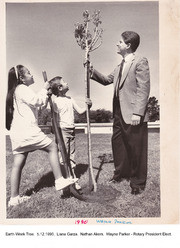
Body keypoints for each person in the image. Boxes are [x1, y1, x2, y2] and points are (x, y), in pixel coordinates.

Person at [6, 65, 77, 207]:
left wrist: (46, 94)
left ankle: (14, 198)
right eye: (29, 73)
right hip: (28, 131)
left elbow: (39, 105)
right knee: (52, 147)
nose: (32, 75)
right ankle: (59, 180)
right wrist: (44, 88)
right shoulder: (22, 89)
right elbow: (36, 101)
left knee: (18, 162)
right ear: (22, 78)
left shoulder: (17, 91)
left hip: (18, 133)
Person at [90, 31, 150, 195]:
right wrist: (91, 70)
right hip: (118, 112)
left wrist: (138, 113)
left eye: (120, 42)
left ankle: (137, 182)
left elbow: (143, 89)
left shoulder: (140, 61)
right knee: (118, 144)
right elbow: (106, 80)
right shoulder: (120, 66)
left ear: (128, 45)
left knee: (136, 147)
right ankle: (121, 174)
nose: (117, 44)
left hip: (133, 112)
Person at [49, 76, 92, 190]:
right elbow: (54, 118)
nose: (67, 82)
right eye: (64, 81)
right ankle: (66, 179)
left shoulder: (70, 99)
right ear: (60, 87)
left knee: (71, 155)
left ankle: (72, 178)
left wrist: (88, 106)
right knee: (63, 155)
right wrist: (56, 132)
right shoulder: (55, 102)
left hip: (71, 129)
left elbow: (80, 111)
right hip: (62, 130)